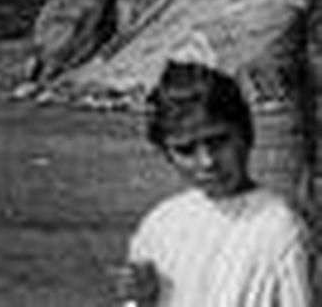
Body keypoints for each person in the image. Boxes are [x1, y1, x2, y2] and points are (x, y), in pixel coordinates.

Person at [116, 58, 313, 305]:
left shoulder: (280, 228)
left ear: (247, 134)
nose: (207, 161)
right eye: (186, 150)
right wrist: (142, 298)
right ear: (167, 155)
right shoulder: (159, 225)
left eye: (218, 141)